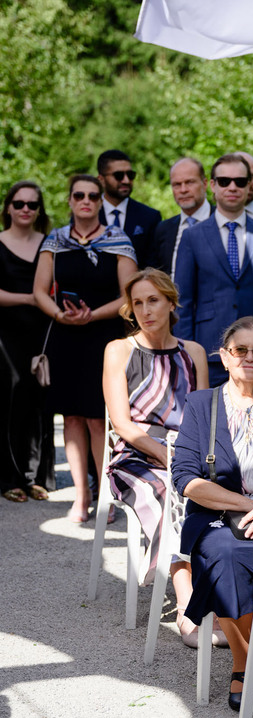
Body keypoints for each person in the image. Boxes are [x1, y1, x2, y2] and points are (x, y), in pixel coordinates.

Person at [172, 317, 253, 718]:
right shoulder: (201, 404)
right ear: (225, 357)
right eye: (240, 350)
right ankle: (245, 662)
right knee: (224, 557)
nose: (249, 357)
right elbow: (186, 480)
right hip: (218, 515)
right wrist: (250, 505)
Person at [103, 268, 210, 647]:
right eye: (138, 303)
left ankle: (225, 598)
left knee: (219, 493)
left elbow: (204, 418)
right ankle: (187, 609)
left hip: (188, 452)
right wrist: (171, 457)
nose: (146, 310)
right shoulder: (119, 350)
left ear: (170, 302)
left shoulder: (193, 352)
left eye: (153, 300)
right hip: (134, 458)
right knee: (172, 494)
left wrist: (190, 457)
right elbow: (124, 425)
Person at [34, 174, 137, 523]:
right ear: (70, 199)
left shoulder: (117, 239)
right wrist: (60, 315)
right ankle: (80, 496)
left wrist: (91, 315)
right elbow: (39, 291)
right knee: (72, 418)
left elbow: (129, 296)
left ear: (100, 202)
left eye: (93, 196)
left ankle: (105, 494)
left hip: (103, 337)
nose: (86, 201)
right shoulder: (55, 240)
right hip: (66, 336)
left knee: (98, 420)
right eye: (79, 195)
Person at [175, 153, 253, 387]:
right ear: (212, 185)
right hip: (209, 352)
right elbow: (182, 301)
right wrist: (187, 353)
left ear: (249, 185)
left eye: (240, 181)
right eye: (224, 181)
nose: (232, 186)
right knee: (212, 421)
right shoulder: (192, 236)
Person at [0, 180, 55, 502]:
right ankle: (8, 478)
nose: (25, 209)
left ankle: (35, 477)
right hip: (5, 334)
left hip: (43, 332)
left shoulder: (49, 244)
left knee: (39, 399)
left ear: (39, 211)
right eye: (19, 203)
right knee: (11, 396)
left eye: (32, 205)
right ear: (8, 207)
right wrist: (32, 298)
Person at [97, 150, 162, 269]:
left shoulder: (149, 217)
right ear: (101, 179)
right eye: (119, 175)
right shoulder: (88, 215)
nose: (126, 180)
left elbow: (153, 266)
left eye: (130, 175)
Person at [152, 157, 213, 279]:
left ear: (205, 184)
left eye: (190, 182)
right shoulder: (163, 229)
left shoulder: (224, 221)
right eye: (177, 184)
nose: (183, 190)